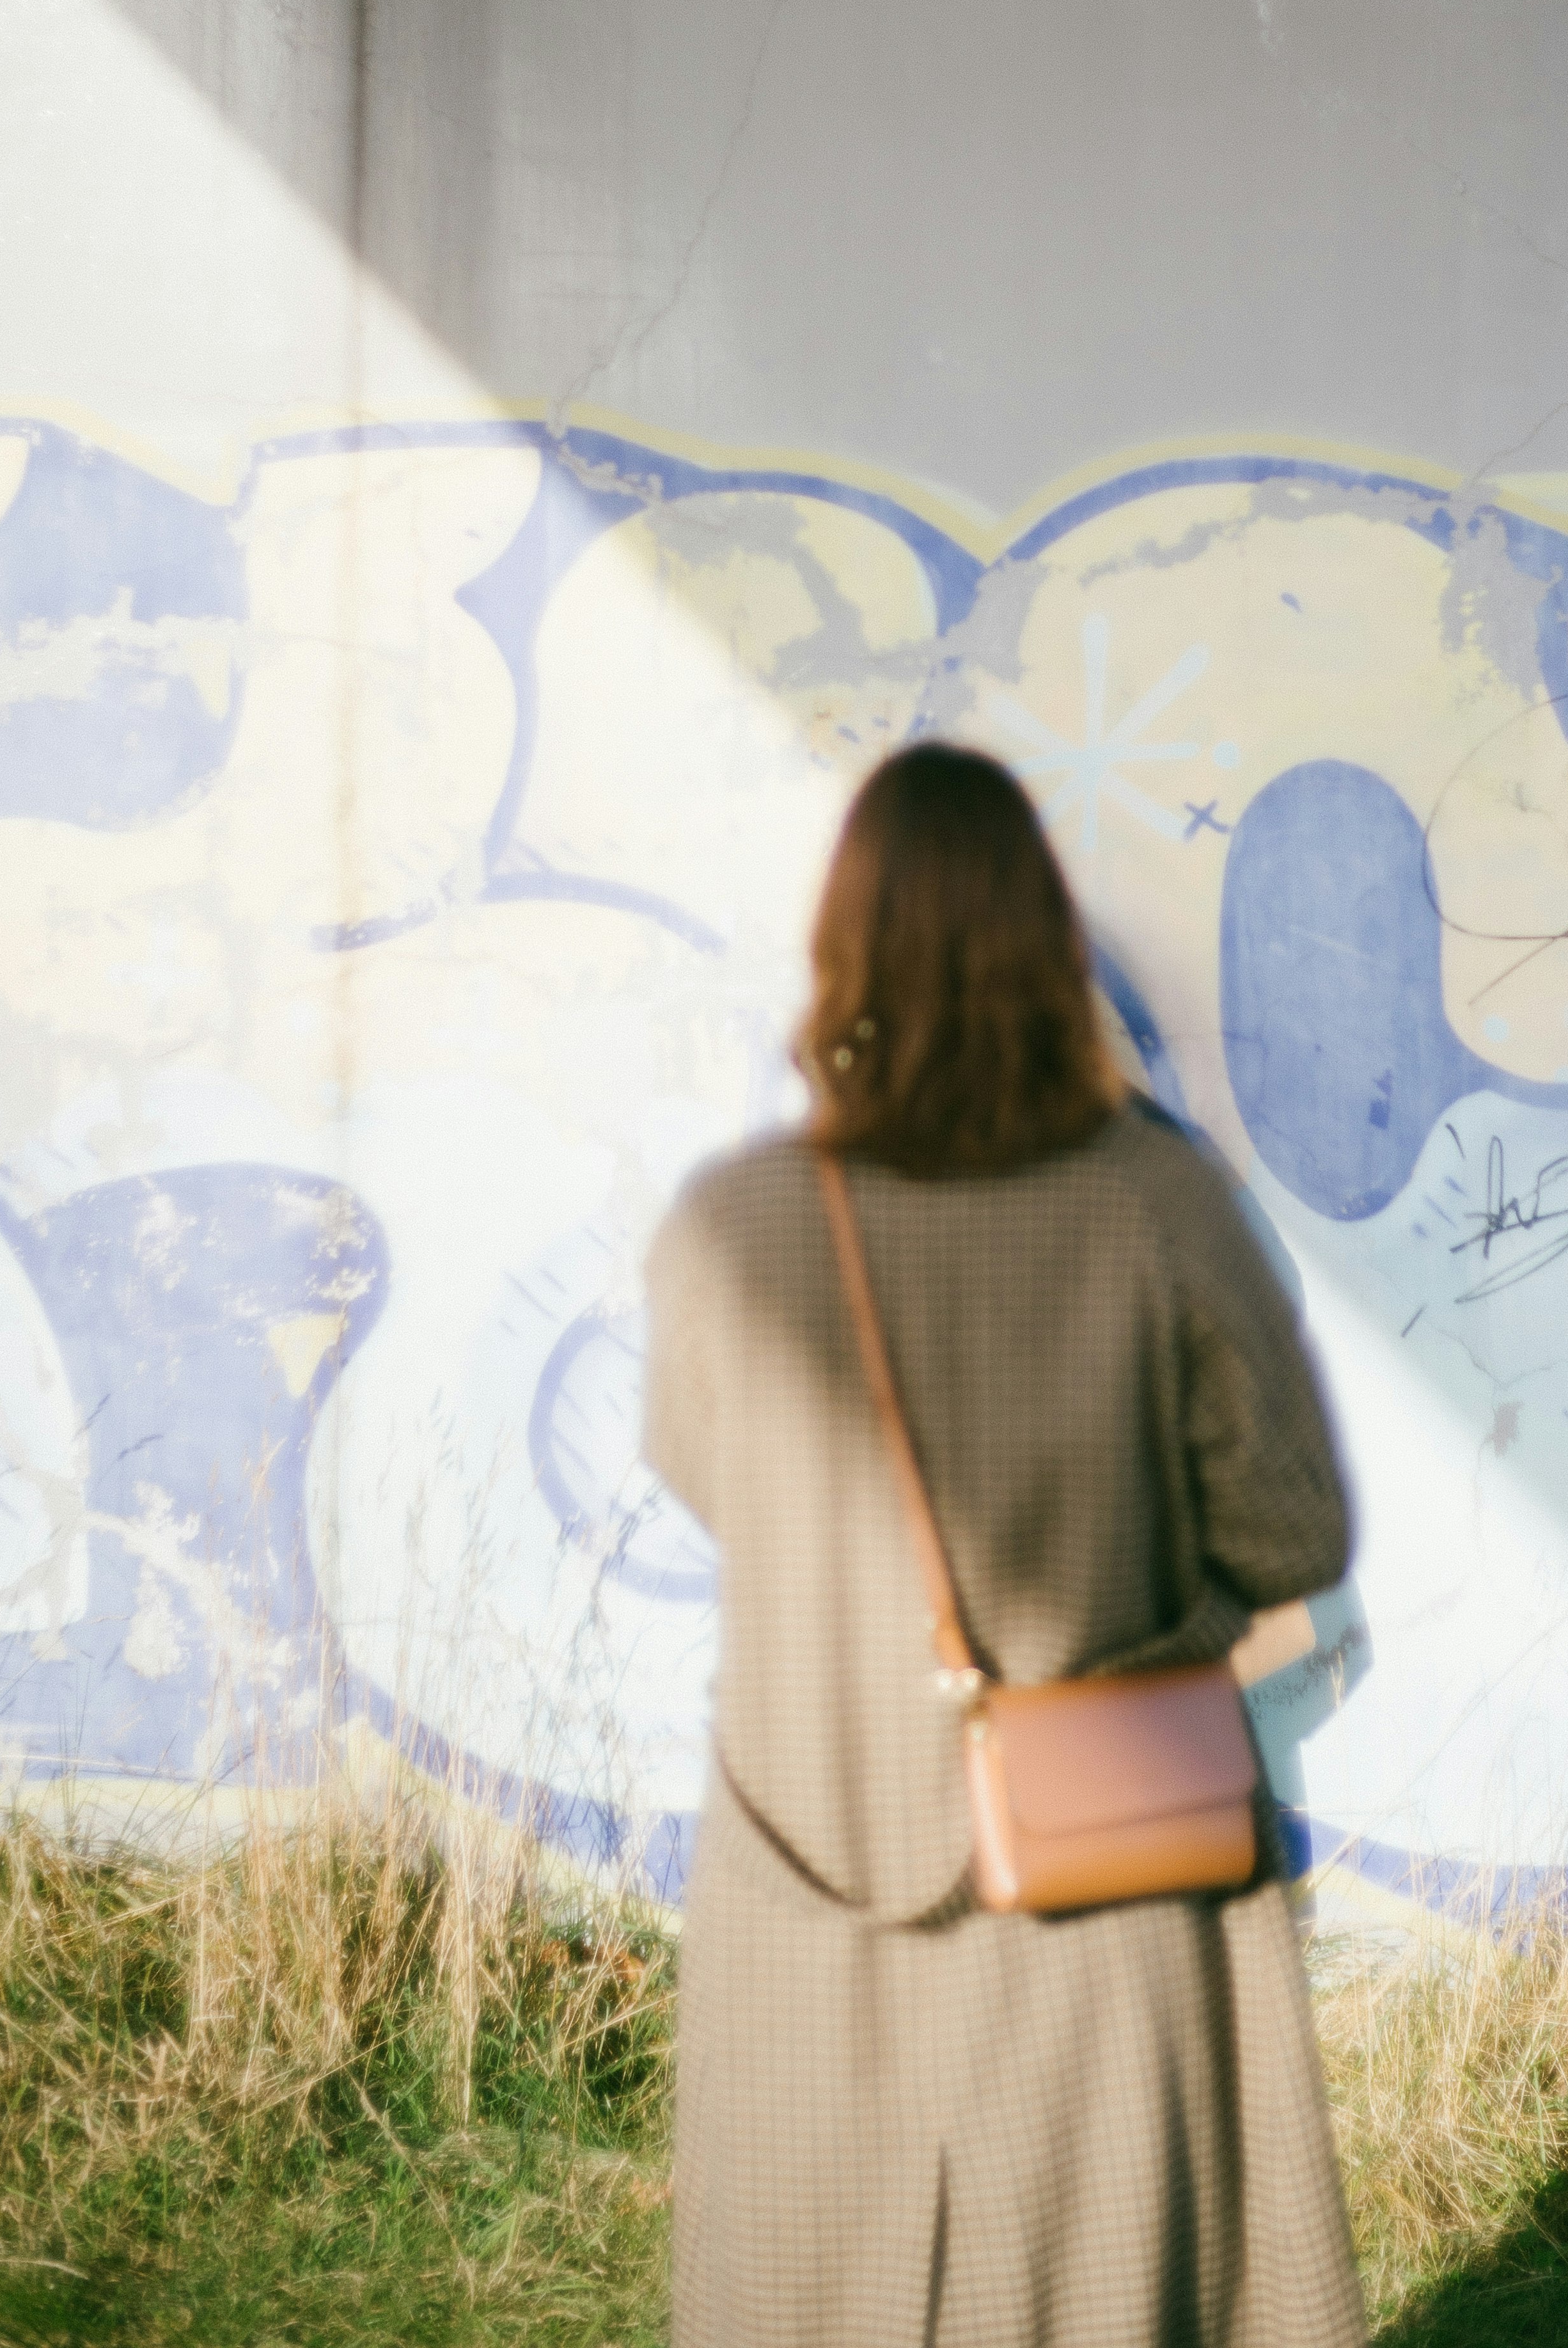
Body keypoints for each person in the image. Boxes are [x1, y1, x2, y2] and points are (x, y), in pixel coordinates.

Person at [642, 741, 1363, 2348]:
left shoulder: (729, 1231)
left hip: (804, 1886)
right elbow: (1295, 1528)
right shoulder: (1161, 1210)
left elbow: (707, 1478)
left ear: (843, 955)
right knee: (1094, 2288)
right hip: (1097, 1893)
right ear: (1049, 956)